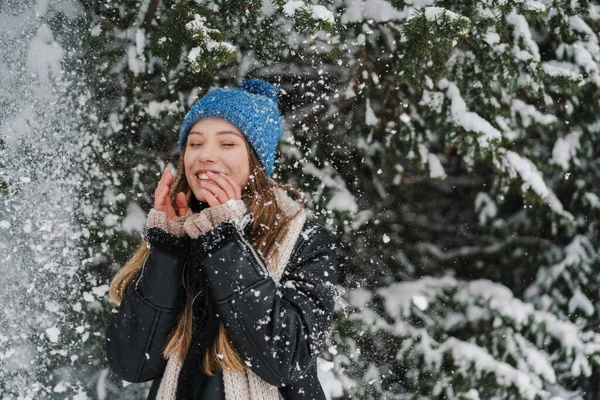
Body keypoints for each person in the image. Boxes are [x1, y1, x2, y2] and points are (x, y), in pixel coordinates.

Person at [106, 78, 338, 400]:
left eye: (227, 144)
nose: (205, 156)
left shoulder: (305, 241)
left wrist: (225, 242)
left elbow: (285, 360)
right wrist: (166, 251)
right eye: (195, 143)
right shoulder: (176, 232)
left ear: (256, 161)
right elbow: (130, 363)